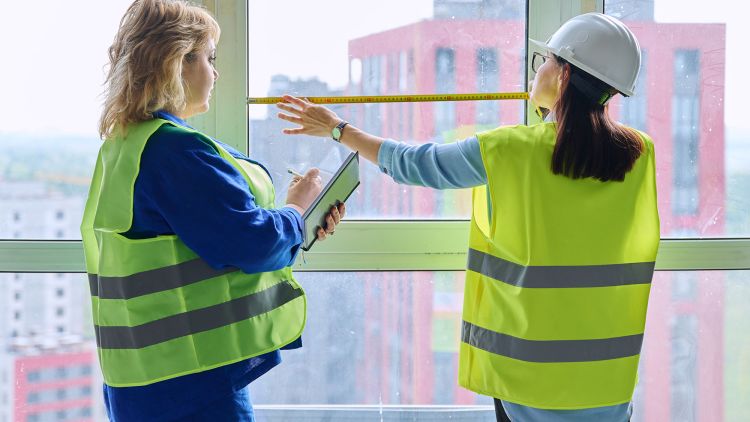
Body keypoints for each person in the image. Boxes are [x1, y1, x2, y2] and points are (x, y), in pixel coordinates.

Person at [278, 13, 658, 422]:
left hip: (527, 383)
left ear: (564, 76)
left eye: (544, 60)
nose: (538, 69)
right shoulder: (641, 154)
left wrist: (338, 129)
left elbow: (414, 165)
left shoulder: (509, 150)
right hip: (607, 386)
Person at [81, 0, 344, 420]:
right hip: (191, 386)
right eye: (209, 57)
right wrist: (297, 210)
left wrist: (296, 222)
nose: (216, 72)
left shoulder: (126, 144)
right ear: (176, 64)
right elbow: (252, 241)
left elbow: (204, 238)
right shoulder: (174, 150)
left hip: (146, 381)